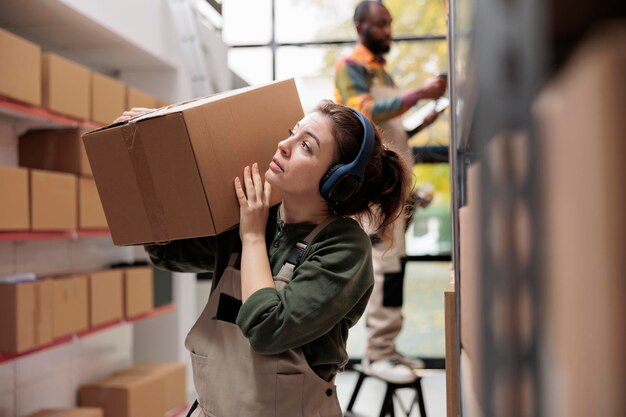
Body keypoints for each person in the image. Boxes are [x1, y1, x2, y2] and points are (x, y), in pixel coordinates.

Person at [119, 101, 411, 417]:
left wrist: (253, 237)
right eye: (292, 133)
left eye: (305, 146)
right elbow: (167, 252)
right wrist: (154, 150)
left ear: (337, 182)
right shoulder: (254, 213)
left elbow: (268, 329)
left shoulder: (344, 246)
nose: (283, 145)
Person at [334, 0, 447, 384]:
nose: (388, 30)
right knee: (385, 266)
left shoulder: (383, 72)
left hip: (395, 187)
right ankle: (376, 354)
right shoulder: (351, 67)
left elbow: (388, 136)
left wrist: (419, 122)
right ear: (361, 26)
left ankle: (388, 345)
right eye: (380, 24)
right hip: (378, 188)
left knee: (396, 268)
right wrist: (418, 94)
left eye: (389, 23)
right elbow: (362, 113)